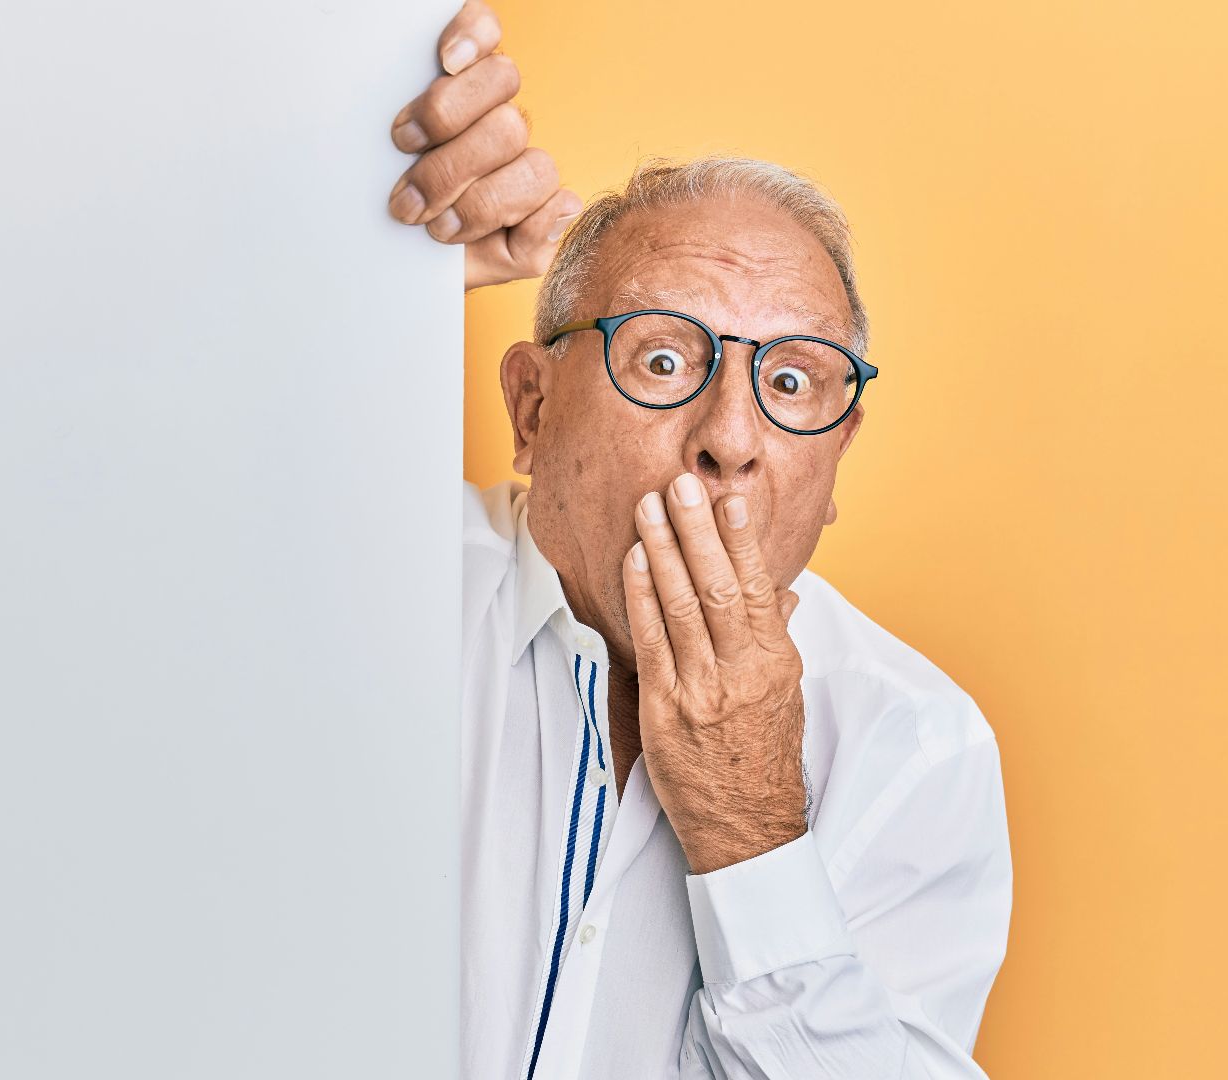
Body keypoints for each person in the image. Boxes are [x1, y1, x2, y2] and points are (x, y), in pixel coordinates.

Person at [391, 5, 1012, 1077]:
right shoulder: (390, 586)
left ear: (836, 461)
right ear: (532, 408)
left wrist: (749, 829)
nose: (731, 438)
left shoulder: (914, 747)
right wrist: (351, 259)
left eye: (790, 382)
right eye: (665, 361)